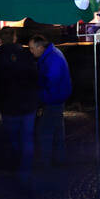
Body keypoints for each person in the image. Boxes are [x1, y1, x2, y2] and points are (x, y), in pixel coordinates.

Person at [0, 28, 41, 171]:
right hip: (28, 102)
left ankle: (16, 163)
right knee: (27, 137)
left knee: (13, 136)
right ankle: (26, 169)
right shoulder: (26, 53)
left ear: (0, 39)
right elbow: (35, 76)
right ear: (15, 38)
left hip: (8, 103)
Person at [31, 35, 73, 166]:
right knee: (57, 131)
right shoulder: (51, 55)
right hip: (57, 98)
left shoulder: (52, 58)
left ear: (40, 47)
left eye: (32, 48)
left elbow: (51, 82)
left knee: (45, 131)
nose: (31, 51)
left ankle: (45, 161)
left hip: (53, 99)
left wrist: (40, 95)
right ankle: (59, 159)